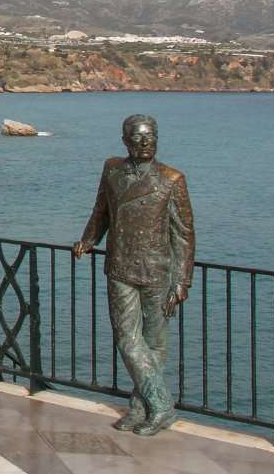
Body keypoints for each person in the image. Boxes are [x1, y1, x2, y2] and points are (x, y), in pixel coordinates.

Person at [73, 114, 194, 436]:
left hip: (156, 271)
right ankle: (163, 405)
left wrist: (182, 281)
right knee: (128, 341)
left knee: (154, 344)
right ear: (125, 140)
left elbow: (183, 234)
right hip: (120, 265)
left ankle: (143, 407)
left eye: (150, 137)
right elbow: (101, 211)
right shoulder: (112, 170)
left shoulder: (171, 179)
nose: (145, 143)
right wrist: (88, 239)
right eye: (138, 138)